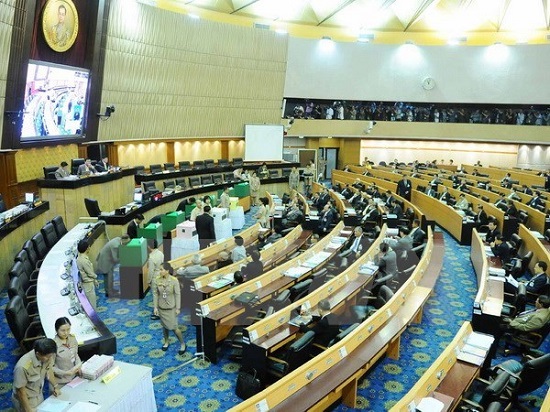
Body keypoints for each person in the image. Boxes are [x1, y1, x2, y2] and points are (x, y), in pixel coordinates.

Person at [12, 338, 60, 411]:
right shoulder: (22, 367)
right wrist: (28, 409)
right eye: (48, 356)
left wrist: (55, 386)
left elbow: (49, 370)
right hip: (26, 399)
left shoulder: (47, 356)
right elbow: (20, 391)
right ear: (38, 354)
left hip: (38, 393)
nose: (50, 358)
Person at [152, 263, 186, 354]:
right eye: (159, 269)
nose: (160, 271)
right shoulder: (157, 280)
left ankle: (182, 343)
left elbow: (177, 294)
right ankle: (166, 342)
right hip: (161, 307)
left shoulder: (174, 280)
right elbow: (155, 294)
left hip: (171, 307)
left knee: (174, 327)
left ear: (167, 271)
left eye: (161, 269)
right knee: (164, 326)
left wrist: (178, 308)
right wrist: (155, 307)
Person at [52, 317, 82, 388]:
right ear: (56, 330)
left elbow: (75, 354)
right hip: (61, 382)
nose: (66, 333)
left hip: (75, 378)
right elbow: (49, 367)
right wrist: (65, 373)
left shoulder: (72, 338)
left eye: (68, 329)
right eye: (63, 330)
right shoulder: (53, 345)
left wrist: (78, 365)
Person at [76, 239, 98, 310]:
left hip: (87, 284)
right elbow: (90, 273)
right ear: (87, 248)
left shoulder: (80, 257)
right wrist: (95, 277)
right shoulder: (84, 260)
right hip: (88, 285)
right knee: (92, 306)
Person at [147, 239, 164, 320]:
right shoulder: (161, 253)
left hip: (155, 277)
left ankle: (156, 312)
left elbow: (150, 271)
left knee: (155, 295)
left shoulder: (151, 257)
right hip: (161, 276)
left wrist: (148, 281)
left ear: (149, 247)